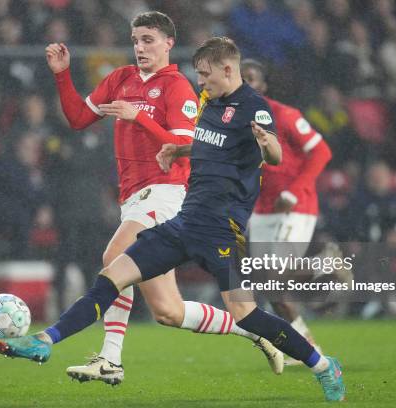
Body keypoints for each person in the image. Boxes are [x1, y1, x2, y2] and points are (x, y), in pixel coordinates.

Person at [0, 37, 346, 402]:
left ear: (227, 69)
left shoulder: (254, 106)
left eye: (205, 75)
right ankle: (45, 341)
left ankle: (322, 365)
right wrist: (180, 148)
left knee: (247, 315)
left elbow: (273, 153)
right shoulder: (211, 105)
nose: (201, 81)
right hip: (184, 222)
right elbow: (210, 144)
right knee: (112, 275)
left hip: (221, 230)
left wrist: (265, 143)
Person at [42, 12, 282, 385]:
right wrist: (61, 74)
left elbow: (188, 144)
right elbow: (76, 118)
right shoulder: (120, 79)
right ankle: (253, 331)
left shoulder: (178, 88)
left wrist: (139, 117)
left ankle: (110, 360)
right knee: (168, 311)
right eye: (136, 40)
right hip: (132, 197)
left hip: (169, 192)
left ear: (169, 43)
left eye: (149, 40)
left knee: (114, 259)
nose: (140, 47)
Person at [241, 59, 348, 365]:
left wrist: (293, 190)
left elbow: (321, 151)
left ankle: (324, 262)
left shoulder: (284, 115)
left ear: (263, 86)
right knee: (268, 286)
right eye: (241, 79)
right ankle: (306, 346)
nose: (246, 84)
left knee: (273, 275)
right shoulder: (232, 120)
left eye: (252, 79)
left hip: (295, 206)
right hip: (262, 209)